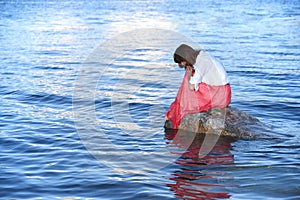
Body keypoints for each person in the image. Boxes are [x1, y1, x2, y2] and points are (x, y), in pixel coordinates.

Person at [165, 44, 231, 129]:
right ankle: (177, 107)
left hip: (219, 95)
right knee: (191, 75)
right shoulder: (202, 56)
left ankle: (179, 108)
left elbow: (191, 87)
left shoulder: (201, 63)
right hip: (224, 93)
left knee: (188, 77)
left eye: (182, 61)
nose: (182, 64)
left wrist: (189, 75)